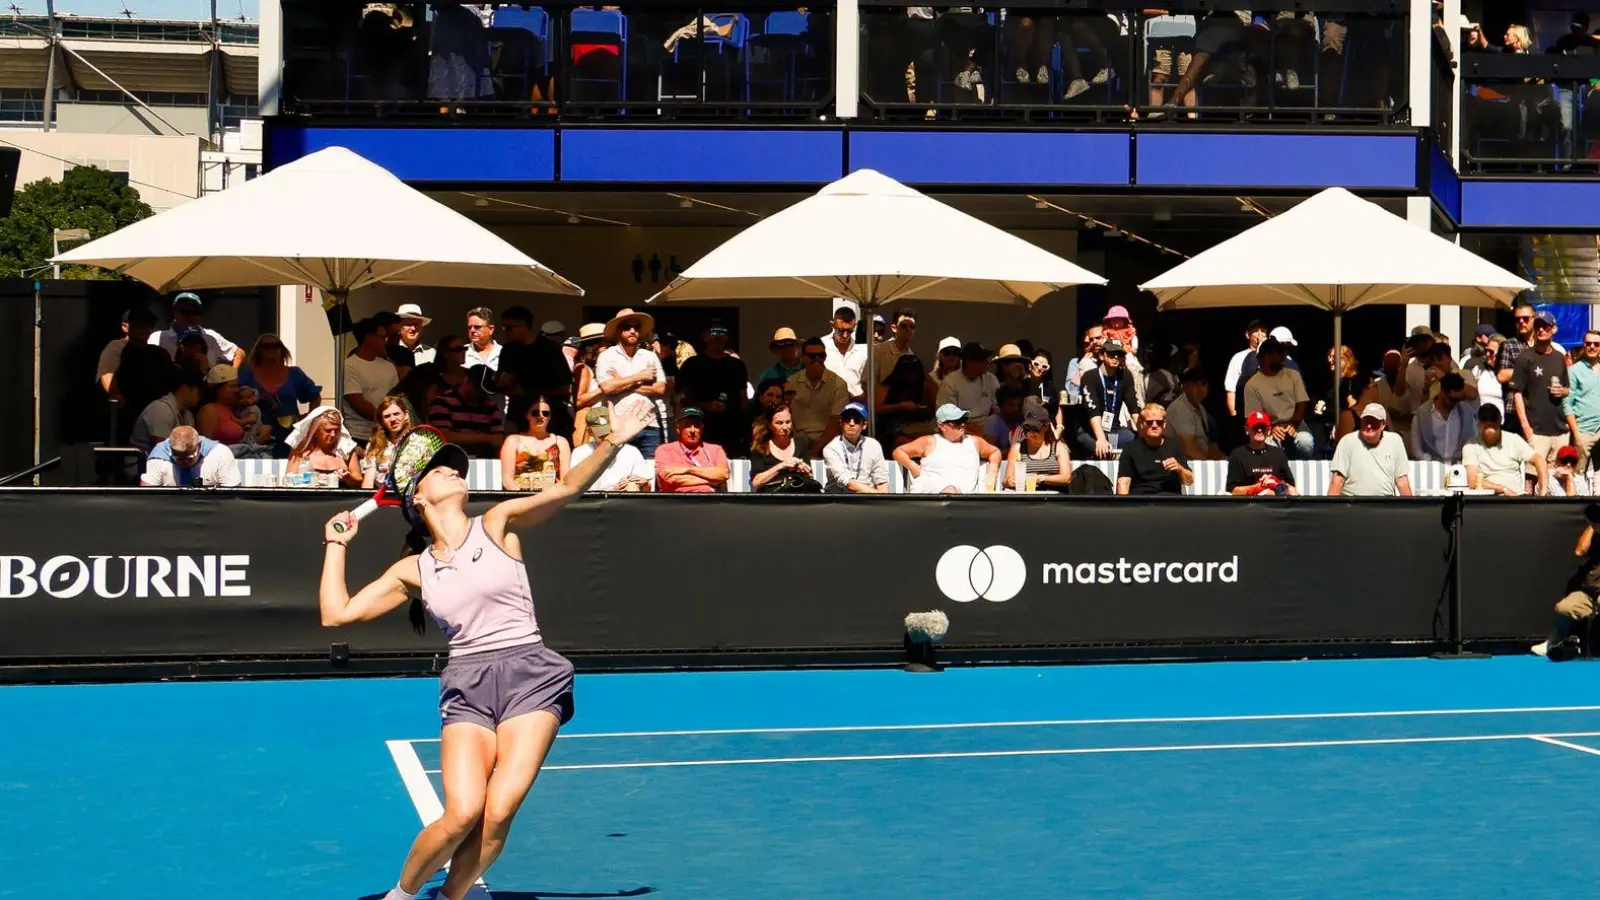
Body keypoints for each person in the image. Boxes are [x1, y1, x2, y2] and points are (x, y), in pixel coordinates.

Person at [319, 404, 654, 900]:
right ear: (418, 496)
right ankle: (402, 896)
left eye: (455, 466)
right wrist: (336, 544)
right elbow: (337, 614)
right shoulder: (412, 570)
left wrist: (613, 441)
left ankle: (451, 896)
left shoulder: (497, 522)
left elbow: (565, 489)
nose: (454, 470)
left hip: (531, 674)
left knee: (498, 812)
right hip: (468, 686)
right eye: (440, 469)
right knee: (462, 813)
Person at [1531, 503, 1600, 662]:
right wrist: (1594, 524)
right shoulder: (1595, 533)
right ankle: (1553, 643)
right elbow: (1579, 551)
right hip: (1589, 592)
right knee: (1564, 607)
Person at [595, 308, 667, 459]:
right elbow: (607, 387)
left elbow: (660, 389)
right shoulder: (606, 356)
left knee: (649, 474)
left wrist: (621, 381)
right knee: (619, 475)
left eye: (636, 327)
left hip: (649, 424)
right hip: (618, 425)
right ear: (617, 331)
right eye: (627, 327)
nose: (632, 331)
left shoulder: (649, 356)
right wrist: (638, 377)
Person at [675, 319, 749, 451]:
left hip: (732, 430)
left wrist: (745, 425)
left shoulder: (738, 365)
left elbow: (743, 397)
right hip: (699, 428)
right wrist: (706, 405)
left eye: (723, 332)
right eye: (714, 332)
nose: (718, 336)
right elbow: (681, 399)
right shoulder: (692, 365)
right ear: (705, 336)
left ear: (727, 337)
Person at [893, 404, 1001, 494]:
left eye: (964, 420)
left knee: (951, 491)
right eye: (957, 422)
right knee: (949, 491)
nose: (962, 424)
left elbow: (995, 452)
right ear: (942, 426)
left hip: (963, 502)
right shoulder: (930, 441)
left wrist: (992, 473)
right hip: (930, 497)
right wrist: (915, 469)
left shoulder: (975, 442)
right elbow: (899, 452)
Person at [239, 334, 322, 445]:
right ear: (259, 351)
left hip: (290, 437)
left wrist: (309, 419)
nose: (271, 349)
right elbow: (234, 400)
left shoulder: (295, 374)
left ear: (282, 350)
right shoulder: (248, 374)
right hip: (257, 438)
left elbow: (315, 396)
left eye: (276, 346)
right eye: (266, 346)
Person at [1328, 404, 1412, 497]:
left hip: (1385, 504)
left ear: (1383, 424)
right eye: (1366, 421)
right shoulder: (1347, 442)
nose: (1368, 426)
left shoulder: (1395, 441)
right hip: (1353, 503)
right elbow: (1337, 481)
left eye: (1373, 422)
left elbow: (1401, 481)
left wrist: (1412, 509)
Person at [1464, 403, 1545, 496]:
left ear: (1499, 420)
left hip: (1517, 496)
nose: (1489, 423)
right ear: (1478, 422)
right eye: (1485, 419)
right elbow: (1473, 481)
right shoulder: (1471, 446)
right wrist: (1502, 489)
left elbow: (1539, 460)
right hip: (1489, 498)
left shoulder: (1514, 440)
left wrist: (1543, 493)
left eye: (1492, 419)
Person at [343, 317, 402, 443]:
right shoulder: (348, 366)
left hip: (386, 436)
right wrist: (386, 419)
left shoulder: (389, 366)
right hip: (358, 436)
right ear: (369, 338)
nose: (385, 342)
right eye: (382, 337)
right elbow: (356, 401)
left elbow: (396, 398)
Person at [149, 292, 245, 368]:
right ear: (174, 312)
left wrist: (230, 376)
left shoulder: (211, 336)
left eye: (195, 312)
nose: (190, 316)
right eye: (185, 311)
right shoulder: (158, 337)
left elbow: (239, 353)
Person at [1116, 403, 1194, 495]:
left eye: (1159, 422)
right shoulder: (1130, 448)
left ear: (1164, 424)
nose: (1154, 425)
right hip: (1141, 501)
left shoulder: (1175, 446)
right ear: (1141, 424)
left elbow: (1189, 481)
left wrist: (1179, 468)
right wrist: (1124, 507)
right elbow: (1123, 483)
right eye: (1149, 422)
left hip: (1170, 501)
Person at [569, 407, 653, 492]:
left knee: (632, 487)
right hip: (593, 501)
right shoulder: (580, 452)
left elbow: (648, 489)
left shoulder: (632, 451)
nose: (607, 438)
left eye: (609, 433)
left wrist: (643, 484)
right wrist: (614, 490)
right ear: (590, 432)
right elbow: (574, 487)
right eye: (601, 436)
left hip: (624, 501)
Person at [654, 407, 731, 493]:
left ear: (702, 428)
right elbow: (669, 479)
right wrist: (713, 480)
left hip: (710, 501)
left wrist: (689, 470)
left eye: (697, 426)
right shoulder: (665, 450)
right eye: (687, 425)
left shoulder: (716, 450)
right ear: (678, 428)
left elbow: (724, 474)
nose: (692, 430)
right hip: (675, 501)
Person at [501, 397, 571, 492]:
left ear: (550, 417)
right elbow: (507, 480)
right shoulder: (513, 441)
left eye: (545, 413)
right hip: (519, 498)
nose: (540, 416)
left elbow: (565, 480)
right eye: (535, 413)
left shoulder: (561, 442)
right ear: (527, 415)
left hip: (551, 498)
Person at [140, 425, 241, 488]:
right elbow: (147, 497)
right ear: (170, 448)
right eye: (178, 458)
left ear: (199, 446)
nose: (183, 462)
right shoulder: (159, 457)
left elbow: (232, 494)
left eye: (189, 458)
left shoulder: (219, 453)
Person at [749, 404, 820, 493]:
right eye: (779, 423)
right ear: (769, 425)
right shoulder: (761, 447)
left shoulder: (801, 443)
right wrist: (781, 466)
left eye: (788, 422)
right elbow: (756, 482)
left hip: (797, 495)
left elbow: (810, 477)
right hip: (771, 498)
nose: (785, 427)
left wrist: (804, 470)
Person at [822, 401, 889, 493]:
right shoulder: (831, 449)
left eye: (857, 420)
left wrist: (884, 501)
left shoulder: (874, 445)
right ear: (841, 423)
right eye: (847, 419)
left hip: (868, 497)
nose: (851, 423)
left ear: (864, 425)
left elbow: (881, 481)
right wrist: (878, 494)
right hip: (840, 498)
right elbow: (848, 483)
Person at [130, 370, 204, 453]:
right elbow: (162, 447)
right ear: (185, 388)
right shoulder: (160, 409)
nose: (201, 396)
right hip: (141, 461)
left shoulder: (188, 415)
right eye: (199, 392)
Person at [287, 407, 362, 487]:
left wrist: (348, 478)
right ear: (316, 432)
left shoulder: (346, 450)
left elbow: (359, 480)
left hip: (341, 498)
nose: (333, 434)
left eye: (337, 430)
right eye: (328, 430)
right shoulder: (300, 452)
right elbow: (289, 480)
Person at [1226, 412, 1297, 496]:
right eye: (1256, 427)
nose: (1259, 430)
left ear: (1269, 430)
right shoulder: (1237, 455)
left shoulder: (1278, 453)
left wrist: (1274, 483)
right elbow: (1233, 490)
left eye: (1263, 427)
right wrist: (1258, 488)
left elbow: (1290, 487)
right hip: (1248, 504)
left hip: (1276, 504)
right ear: (1247, 430)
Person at [1004, 407, 1073, 493]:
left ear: (1046, 427)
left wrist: (1041, 479)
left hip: (1054, 497)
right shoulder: (1018, 448)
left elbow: (1066, 477)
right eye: (1027, 428)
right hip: (1027, 497)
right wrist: (1010, 481)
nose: (1031, 432)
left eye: (1035, 428)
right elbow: (1006, 479)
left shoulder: (1059, 447)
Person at [362, 394, 417, 490]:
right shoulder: (374, 445)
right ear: (382, 421)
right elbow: (368, 481)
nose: (392, 419)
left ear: (406, 415)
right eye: (387, 416)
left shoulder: (420, 443)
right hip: (383, 499)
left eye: (396, 414)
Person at [464, 306, 502, 371]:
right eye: (469, 327)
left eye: (477, 327)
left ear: (491, 329)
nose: (472, 330)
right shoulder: (462, 352)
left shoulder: (503, 353)